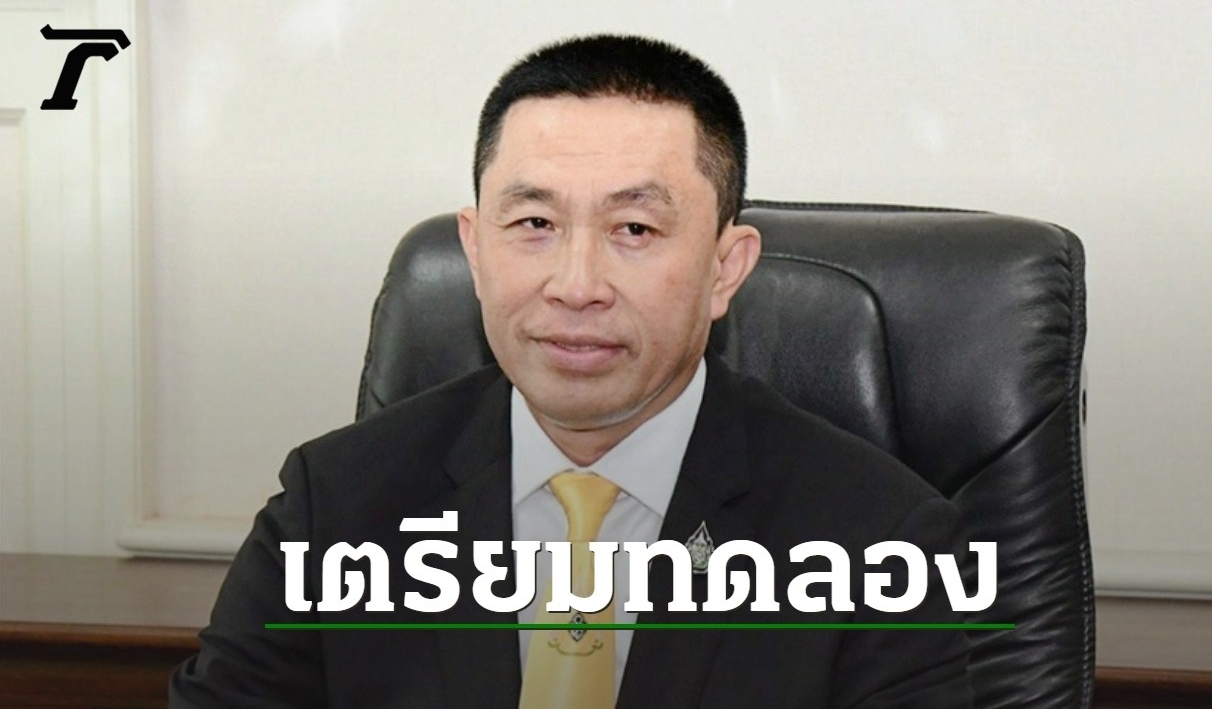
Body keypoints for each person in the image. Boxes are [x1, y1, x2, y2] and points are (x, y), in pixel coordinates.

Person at [170, 34, 973, 708]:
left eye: (634, 229)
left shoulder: (878, 542)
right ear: (475, 250)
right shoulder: (336, 505)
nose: (577, 285)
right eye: (534, 223)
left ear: (725, 268)